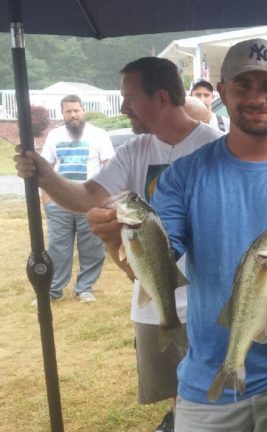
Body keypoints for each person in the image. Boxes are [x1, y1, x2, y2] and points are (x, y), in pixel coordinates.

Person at [94, 39, 267, 432]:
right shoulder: (183, 177)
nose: (257, 97)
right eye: (243, 85)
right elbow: (159, 263)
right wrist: (117, 241)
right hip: (207, 379)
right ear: (222, 92)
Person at [15, 57, 223, 432]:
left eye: (129, 97)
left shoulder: (216, 148)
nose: (123, 106)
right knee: (177, 390)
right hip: (153, 299)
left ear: (160, 98)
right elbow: (87, 196)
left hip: (206, 300)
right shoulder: (135, 149)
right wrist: (46, 176)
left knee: (212, 397)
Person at [37, 94, 114, 304]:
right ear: (62, 113)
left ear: (83, 111)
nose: (73, 115)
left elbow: (109, 167)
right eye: (68, 111)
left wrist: (104, 200)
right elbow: (46, 168)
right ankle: (53, 290)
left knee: (91, 248)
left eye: (76, 110)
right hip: (59, 203)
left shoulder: (99, 135)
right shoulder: (54, 136)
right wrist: (47, 200)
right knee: (57, 248)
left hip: (90, 202)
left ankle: (85, 288)